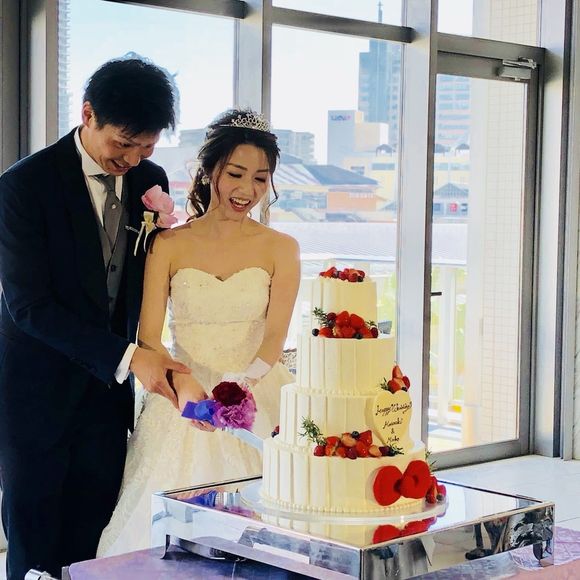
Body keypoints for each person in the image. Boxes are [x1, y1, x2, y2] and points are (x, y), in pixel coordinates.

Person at [0, 58, 191, 579]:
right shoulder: (23, 186)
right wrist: (130, 356)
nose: (131, 159)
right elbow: (28, 306)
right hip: (35, 398)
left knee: (95, 542)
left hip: (106, 401)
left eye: (146, 147)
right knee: (35, 545)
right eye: (122, 143)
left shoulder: (150, 180)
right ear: (88, 115)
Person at [97, 109, 300, 557]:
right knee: (165, 540)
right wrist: (183, 384)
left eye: (261, 179)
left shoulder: (282, 249)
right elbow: (150, 338)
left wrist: (240, 387)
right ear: (209, 171)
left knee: (265, 535)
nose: (247, 190)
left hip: (258, 391)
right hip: (181, 395)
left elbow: (274, 340)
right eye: (236, 174)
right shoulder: (168, 244)